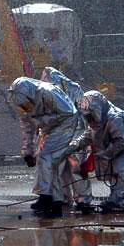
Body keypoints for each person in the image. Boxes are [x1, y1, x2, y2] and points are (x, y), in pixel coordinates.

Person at [7, 76, 82, 216]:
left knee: (46, 158)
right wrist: (27, 151)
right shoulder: (23, 100)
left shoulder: (48, 92)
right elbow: (27, 124)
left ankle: (48, 197)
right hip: (50, 128)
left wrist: (42, 120)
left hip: (66, 125)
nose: (26, 107)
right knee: (47, 161)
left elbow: (68, 113)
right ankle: (53, 199)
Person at [72, 90, 124, 213]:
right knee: (114, 173)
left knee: (122, 171)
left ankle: (122, 201)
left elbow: (123, 139)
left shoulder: (114, 117)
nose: (89, 118)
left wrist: (106, 154)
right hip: (122, 144)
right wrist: (71, 147)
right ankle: (118, 199)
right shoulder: (96, 122)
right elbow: (87, 136)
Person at [40, 67, 95, 213]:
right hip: (58, 134)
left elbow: (84, 110)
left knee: (75, 166)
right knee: (57, 167)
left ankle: (83, 199)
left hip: (75, 132)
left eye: (44, 77)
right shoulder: (47, 92)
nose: (42, 80)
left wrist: (87, 135)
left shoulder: (72, 89)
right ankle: (63, 197)